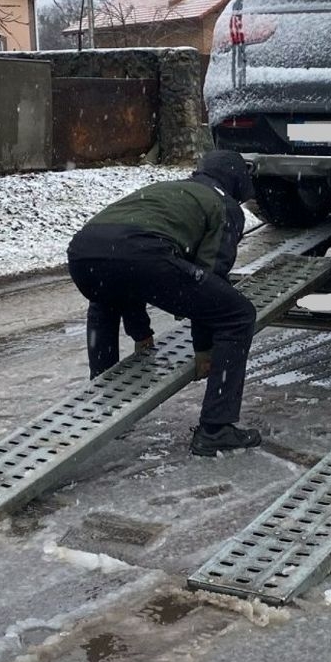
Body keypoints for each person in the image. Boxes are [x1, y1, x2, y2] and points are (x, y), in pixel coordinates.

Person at [66, 151, 260, 457]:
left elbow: (122, 263)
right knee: (238, 315)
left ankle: (105, 399)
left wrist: (141, 334)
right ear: (237, 180)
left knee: (105, 297)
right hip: (141, 254)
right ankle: (216, 429)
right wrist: (203, 349)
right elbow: (212, 275)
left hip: (83, 253)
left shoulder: (167, 190)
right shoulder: (224, 204)